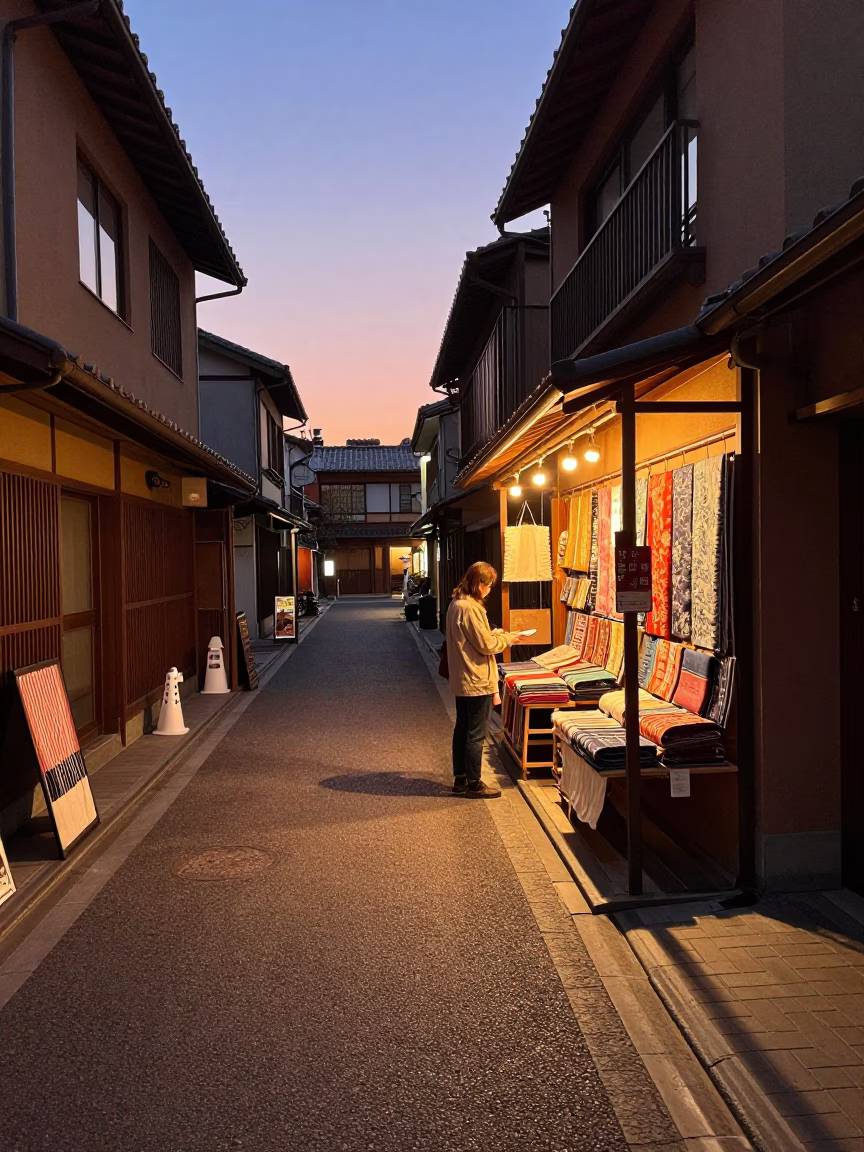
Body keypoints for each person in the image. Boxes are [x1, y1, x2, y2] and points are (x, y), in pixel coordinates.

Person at [446, 561, 526, 797]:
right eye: (489, 585)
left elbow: (475, 638)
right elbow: (486, 645)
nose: (489, 590)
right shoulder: (470, 608)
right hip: (476, 678)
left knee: (462, 729)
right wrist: (508, 639)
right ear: (479, 584)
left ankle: (461, 779)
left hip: (463, 677)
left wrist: (497, 634)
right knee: (475, 733)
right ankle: (474, 783)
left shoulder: (456, 603)